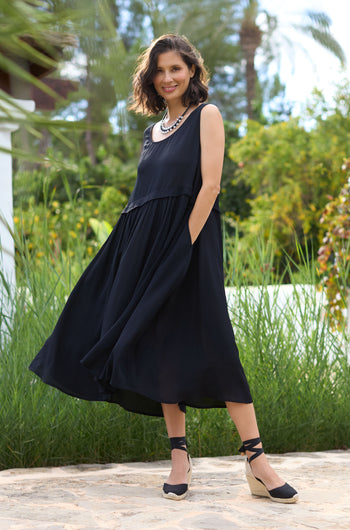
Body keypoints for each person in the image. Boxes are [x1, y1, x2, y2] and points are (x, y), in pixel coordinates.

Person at [29, 34, 298, 504]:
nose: (168, 77)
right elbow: (142, 204)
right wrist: (122, 259)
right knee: (156, 346)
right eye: (160, 71)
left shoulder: (206, 116)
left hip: (188, 248)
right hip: (140, 250)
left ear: (191, 70)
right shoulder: (152, 135)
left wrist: (180, 248)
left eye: (176, 68)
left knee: (216, 341)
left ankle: (257, 461)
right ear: (151, 78)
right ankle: (179, 457)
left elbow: (210, 187)